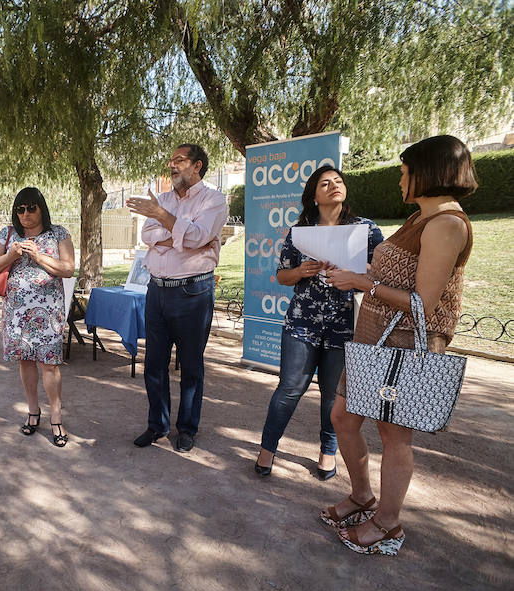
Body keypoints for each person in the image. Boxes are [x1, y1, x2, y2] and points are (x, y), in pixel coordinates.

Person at [322, 135, 476, 556]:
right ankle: (362, 496)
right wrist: (356, 273)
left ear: (428, 173)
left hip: (405, 342)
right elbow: (396, 274)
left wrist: (361, 283)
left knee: (393, 433)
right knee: (343, 418)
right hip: (376, 338)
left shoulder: (447, 224)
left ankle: (388, 523)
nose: (400, 181)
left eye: (405, 173)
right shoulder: (421, 218)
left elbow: (423, 303)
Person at [253, 166, 383, 479]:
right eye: (325, 183)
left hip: (345, 323)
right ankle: (267, 449)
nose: (334, 185)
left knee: (332, 395)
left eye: (338, 181)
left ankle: (328, 451)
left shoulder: (365, 229)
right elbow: (282, 276)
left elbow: (382, 272)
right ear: (314, 195)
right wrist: (301, 271)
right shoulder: (300, 232)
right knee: (289, 388)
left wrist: (354, 270)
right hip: (302, 323)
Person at [126, 144, 229, 453]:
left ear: (197, 166)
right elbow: (148, 235)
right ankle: (157, 425)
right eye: (170, 160)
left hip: (193, 292)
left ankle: (186, 429)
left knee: (191, 366)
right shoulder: (164, 199)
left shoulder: (213, 200)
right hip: (156, 290)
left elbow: (199, 236)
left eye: (179, 160)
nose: (172, 165)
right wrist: (179, 235)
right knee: (154, 364)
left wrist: (163, 218)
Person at [0, 187, 75, 447]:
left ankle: (56, 417)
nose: (25, 213)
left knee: (50, 364)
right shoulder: (7, 234)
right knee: (25, 361)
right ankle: (33, 411)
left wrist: (38, 256)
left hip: (48, 312)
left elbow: (68, 269)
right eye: (20, 209)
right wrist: (11, 255)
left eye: (31, 208)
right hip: (17, 312)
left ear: (41, 208)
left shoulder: (58, 233)